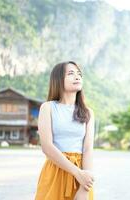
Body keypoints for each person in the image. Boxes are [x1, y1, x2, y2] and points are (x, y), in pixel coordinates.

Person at [35, 61, 95, 200]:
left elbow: (88, 150)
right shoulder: (48, 108)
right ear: (58, 80)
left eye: (79, 74)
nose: (77, 76)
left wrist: (84, 187)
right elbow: (47, 147)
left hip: (82, 176)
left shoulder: (88, 113)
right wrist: (76, 173)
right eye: (71, 73)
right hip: (55, 171)